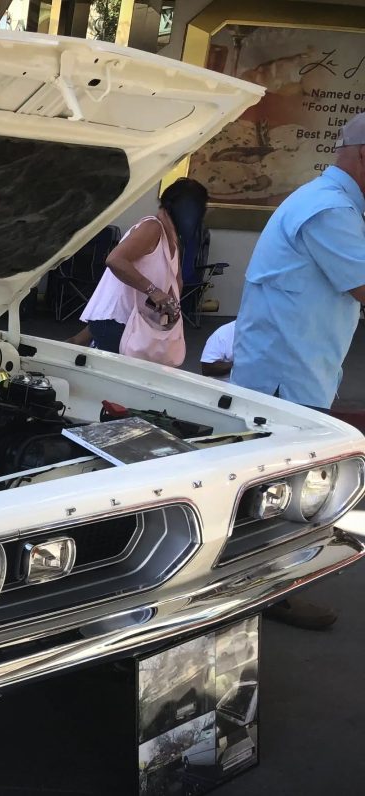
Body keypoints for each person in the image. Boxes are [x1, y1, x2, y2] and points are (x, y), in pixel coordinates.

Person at [228, 114, 365, 631]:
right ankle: (262, 597)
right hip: (288, 376)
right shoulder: (330, 210)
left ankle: (262, 592)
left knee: (277, 488)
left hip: (294, 369)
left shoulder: (328, 201)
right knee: (279, 491)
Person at [79, 178, 208, 357]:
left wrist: (169, 306)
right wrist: (154, 291)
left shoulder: (171, 238)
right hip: (120, 323)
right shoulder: (152, 227)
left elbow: (175, 283)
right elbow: (115, 260)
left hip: (133, 323)